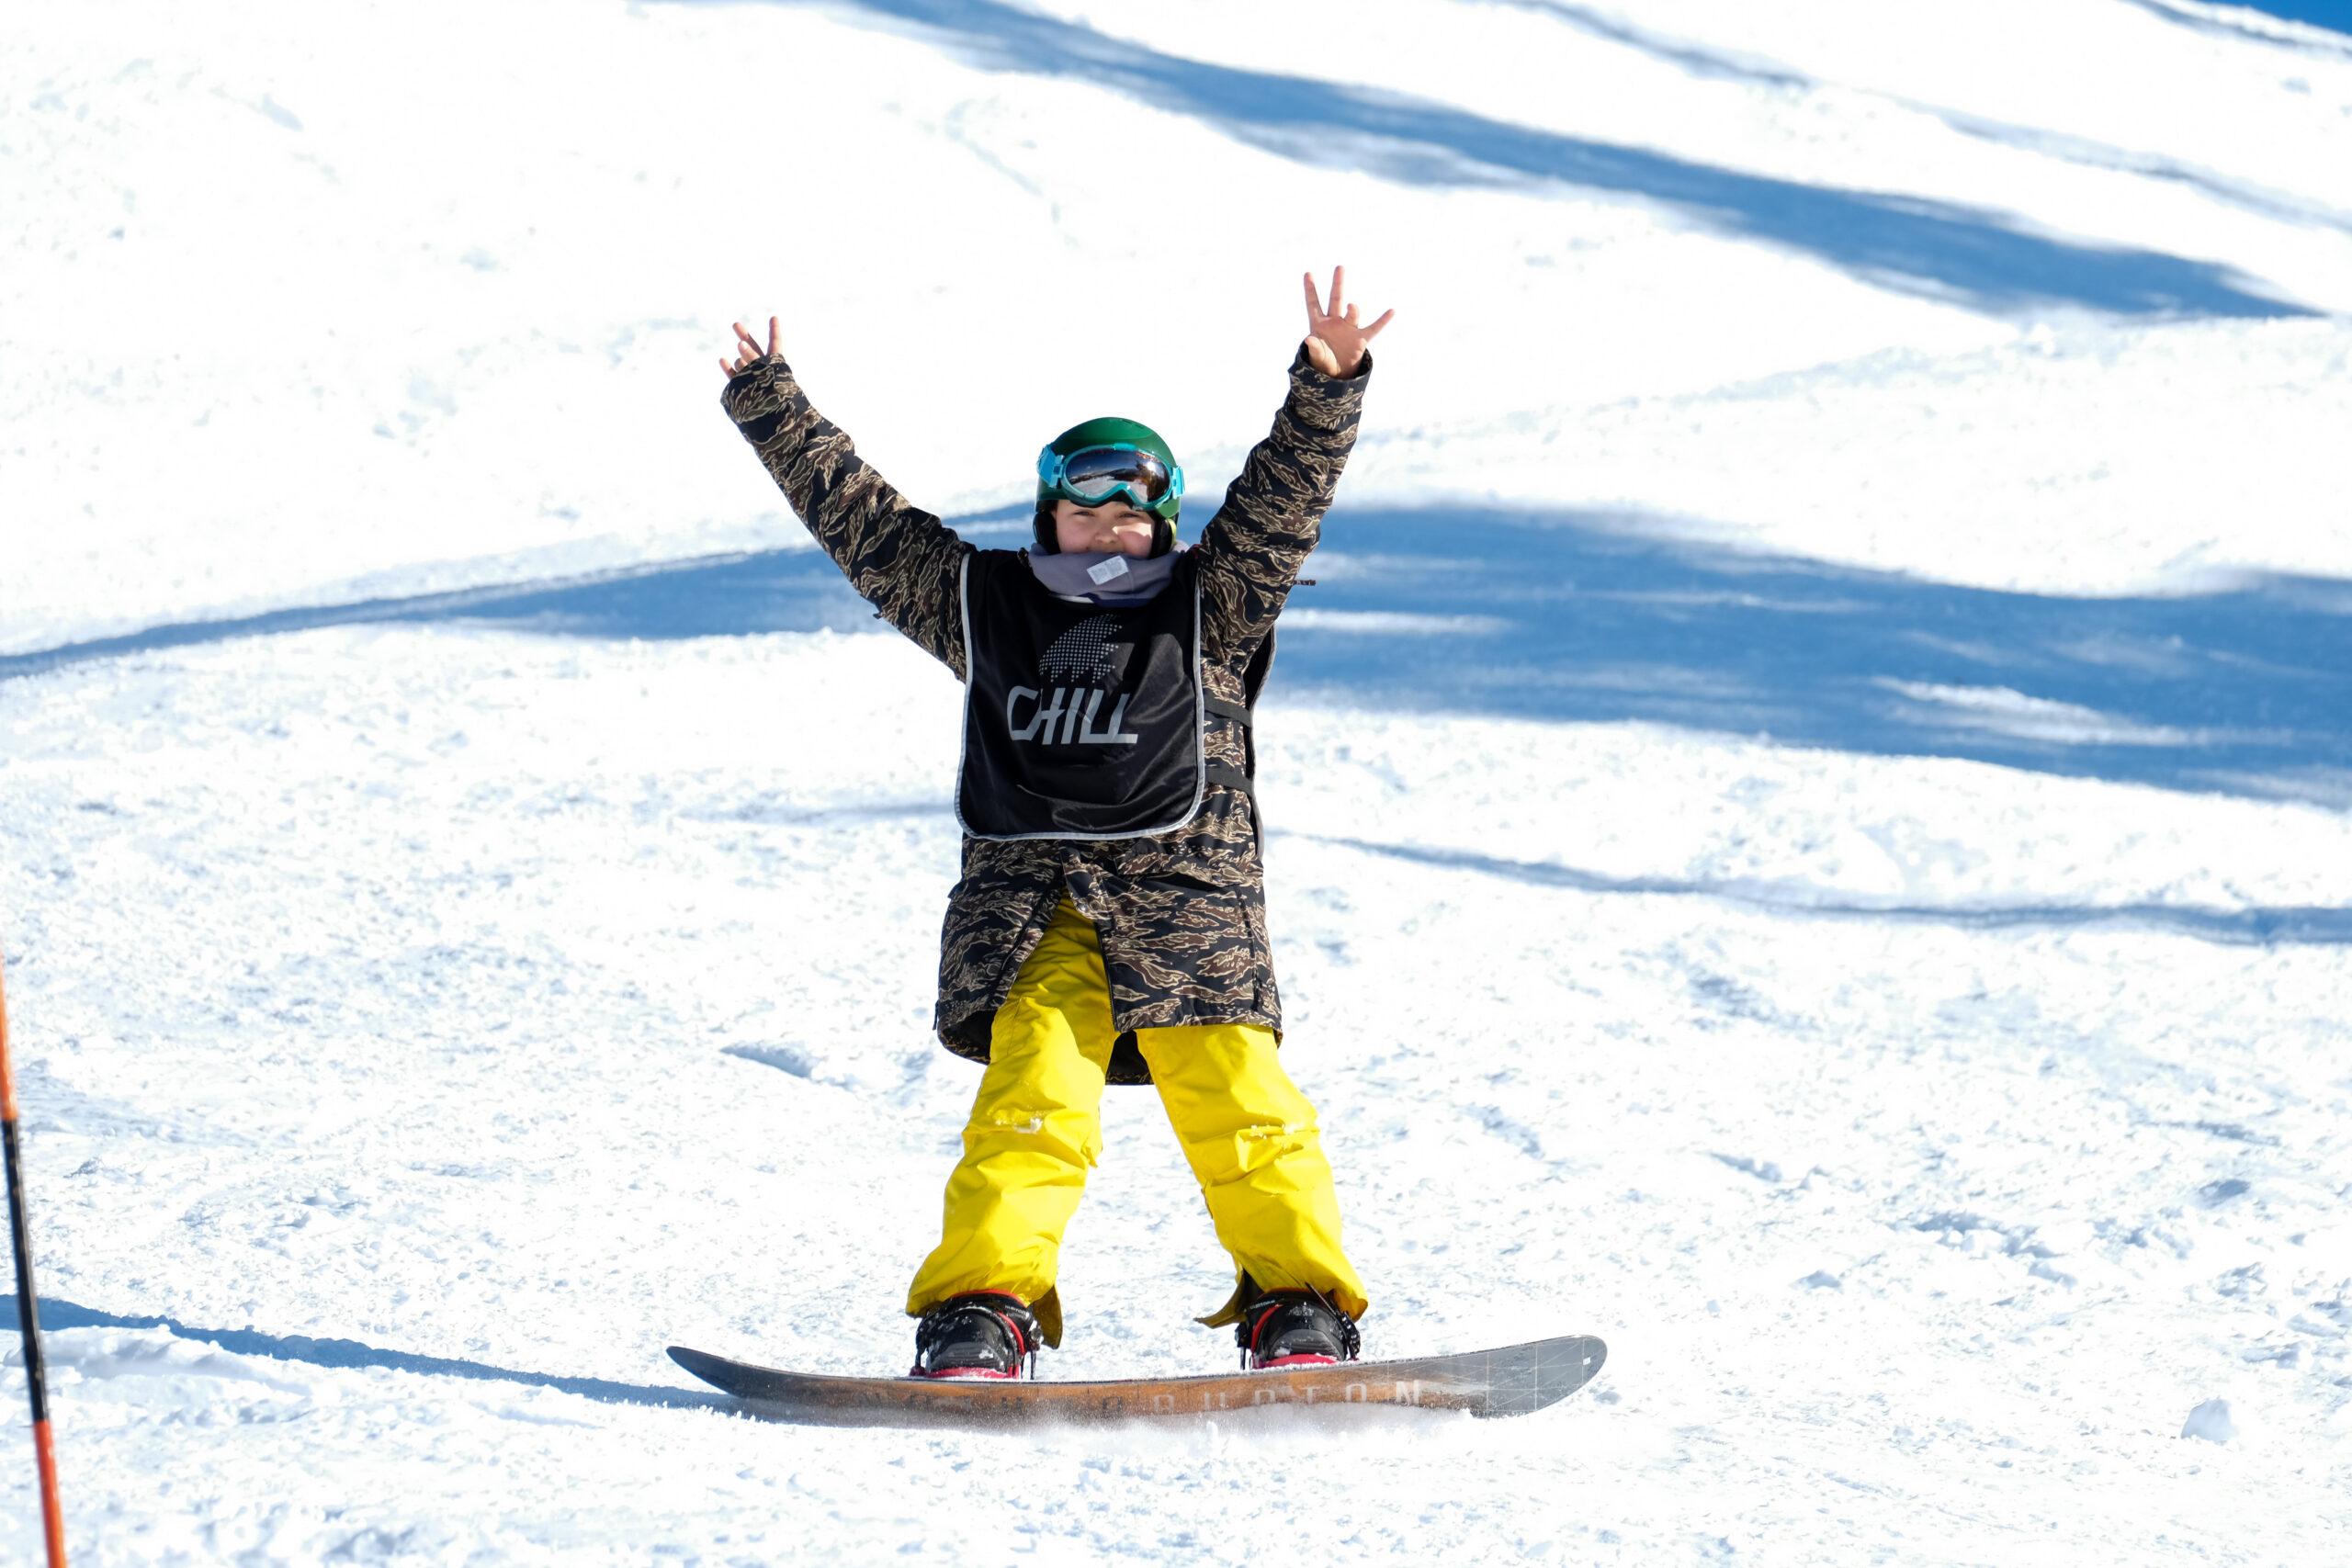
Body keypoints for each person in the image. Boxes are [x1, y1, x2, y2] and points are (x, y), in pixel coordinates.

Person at [717, 268, 1393, 1379]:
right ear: (1049, 514)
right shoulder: (982, 599)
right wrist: (773, 404)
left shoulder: (1210, 599)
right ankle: (983, 1309)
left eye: (1131, 509)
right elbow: (865, 526)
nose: (1108, 527)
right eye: (1085, 508)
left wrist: (1325, 390)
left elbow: (1281, 503)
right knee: (1031, 1101)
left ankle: (1297, 1309)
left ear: (1162, 519)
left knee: (1240, 1099)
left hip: (1190, 906)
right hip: (1036, 909)